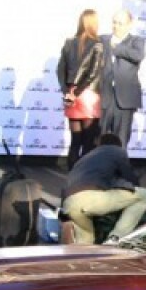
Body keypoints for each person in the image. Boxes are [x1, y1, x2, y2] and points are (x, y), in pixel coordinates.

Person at [62, 134, 146, 244]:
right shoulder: (117, 151)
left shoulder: (86, 157)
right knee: (144, 195)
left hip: (69, 204)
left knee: (85, 243)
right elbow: (132, 181)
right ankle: (116, 238)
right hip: (89, 199)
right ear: (118, 145)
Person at [56, 9, 104, 171]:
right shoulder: (97, 45)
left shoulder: (69, 43)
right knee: (88, 141)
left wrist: (68, 92)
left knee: (75, 140)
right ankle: (85, 177)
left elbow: (60, 69)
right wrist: (77, 93)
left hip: (72, 94)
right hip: (88, 95)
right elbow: (92, 73)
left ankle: (72, 176)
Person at [99, 8, 146, 146]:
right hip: (104, 96)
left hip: (125, 99)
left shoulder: (136, 41)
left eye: (120, 23)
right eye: (114, 22)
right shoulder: (102, 39)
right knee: (98, 137)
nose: (116, 26)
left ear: (129, 24)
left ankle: (119, 166)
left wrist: (116, 47)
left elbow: (138, 56)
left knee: (121, 139)